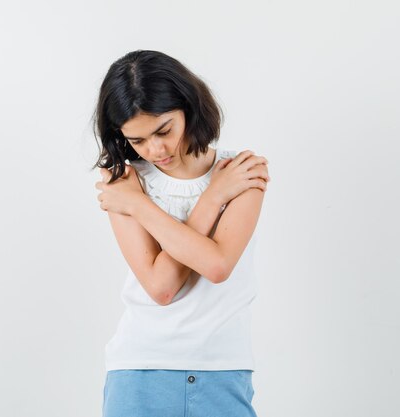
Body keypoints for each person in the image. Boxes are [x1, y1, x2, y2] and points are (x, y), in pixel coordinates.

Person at [91, 50, 271, 417]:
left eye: (164, 130)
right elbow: (161, 287)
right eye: (138, 141)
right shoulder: (124, 182)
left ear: (188, 106)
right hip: (139, 370)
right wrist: (215, 197)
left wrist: (142, 206)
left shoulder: (243, 172)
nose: (155, 150)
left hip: (222, 368)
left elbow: (218, 265)